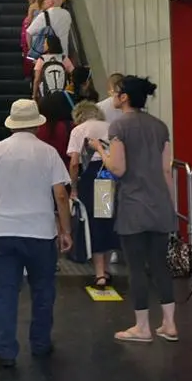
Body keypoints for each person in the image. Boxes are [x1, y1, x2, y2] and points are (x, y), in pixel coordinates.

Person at [0, 99, 73, 368]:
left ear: (12, 124)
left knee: (4, 293)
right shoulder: (49, 153)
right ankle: (40, 344)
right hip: (40, 233)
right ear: (36, 125)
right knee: (43, 291)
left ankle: (6, 351)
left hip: (3, 233)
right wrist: (65, 230)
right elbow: (61, 195)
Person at [89, 76, 178, 345]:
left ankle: (142, 327)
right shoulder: (160, 126)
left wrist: (99, 149)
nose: (113, 96)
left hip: (133, 205)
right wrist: (171, 206)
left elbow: (118, 168)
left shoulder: (119, 126)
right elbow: (166, 170)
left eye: (116, 92)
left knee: (136, 267)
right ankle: (169, 324)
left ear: (124, 97)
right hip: (160, 205)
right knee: (160, 266)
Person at [66, 101, 118, 288]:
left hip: (94, 174)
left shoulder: (79, 130)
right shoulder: (111, 127)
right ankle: (107, 268)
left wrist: (73, 188)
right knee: (108, 220)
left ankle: (99, 273)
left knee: (95, 223)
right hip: (112, 173)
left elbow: (74, 163)